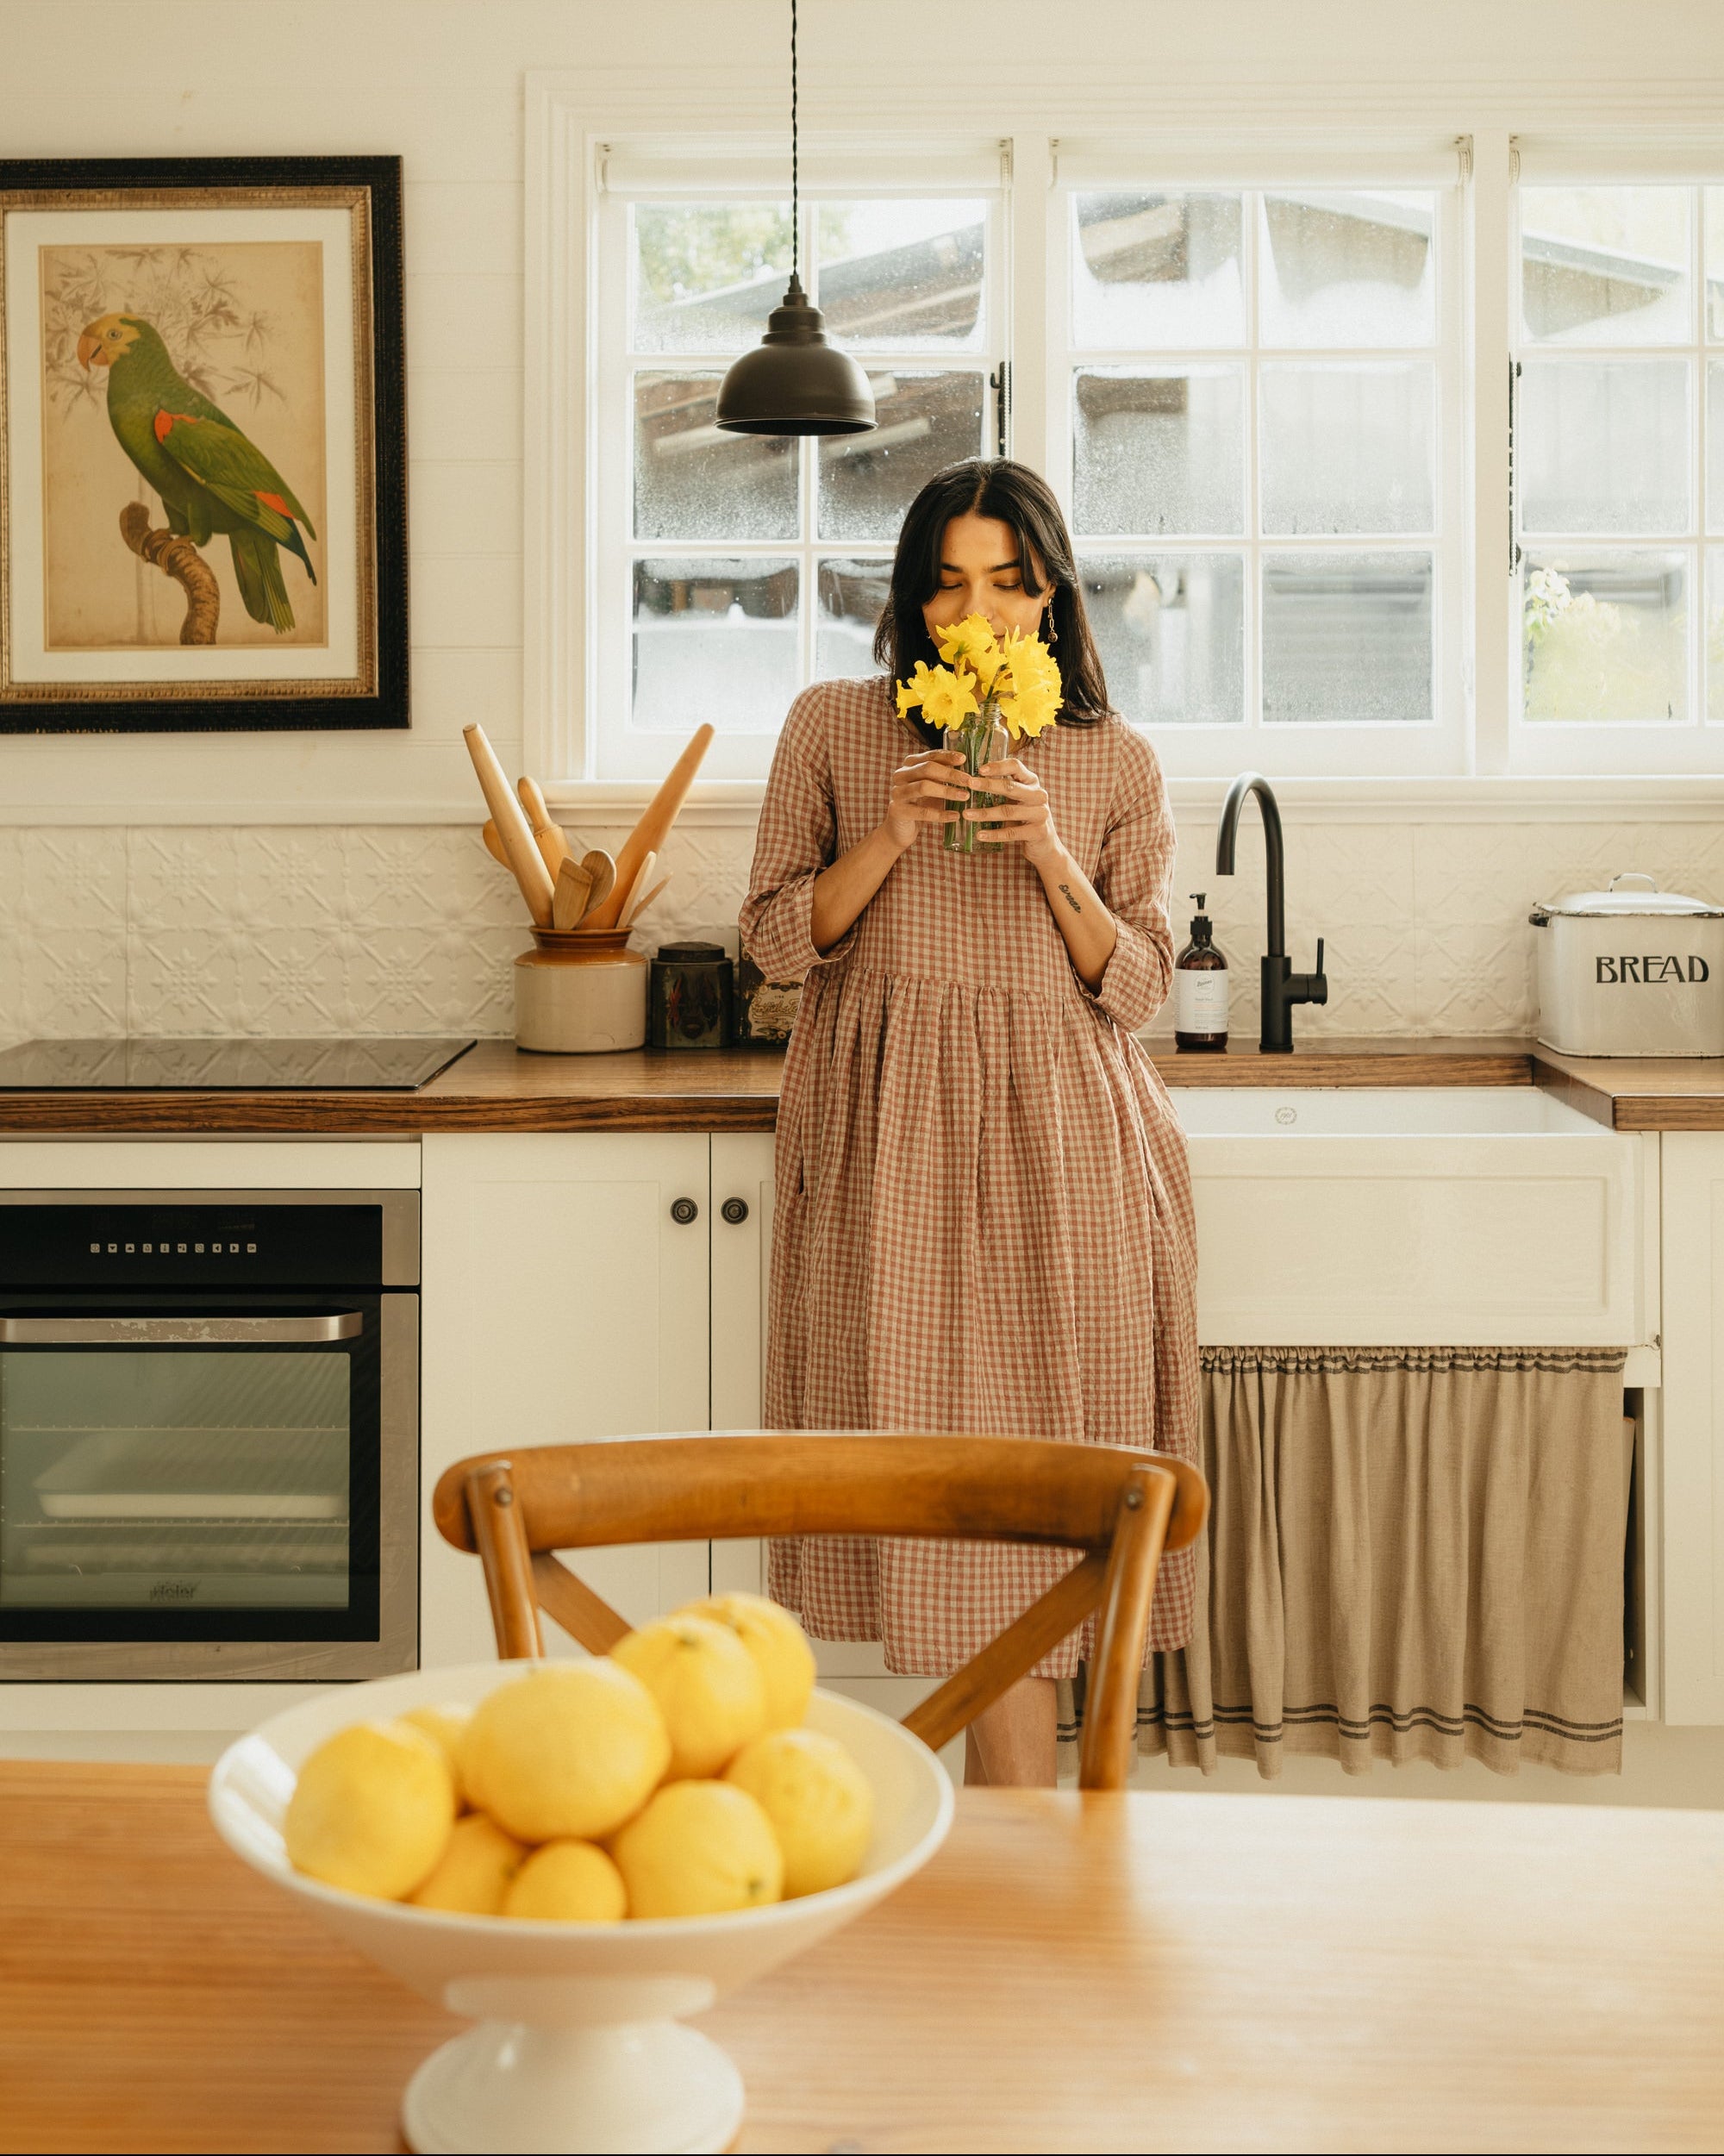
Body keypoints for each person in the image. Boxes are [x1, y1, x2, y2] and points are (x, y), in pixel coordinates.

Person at [740, 459, 1197, 1788]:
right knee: (931, 1492)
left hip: (1066, 1148)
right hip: (890, 1141)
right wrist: (886, 832)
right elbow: (775, 941)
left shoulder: (1114, 759)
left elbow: (1141, 983)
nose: (976, 613)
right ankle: (1004, 1840)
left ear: (1050, 594)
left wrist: (1052, 851)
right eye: (947, 584)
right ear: (913, 598)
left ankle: (1013, 1835)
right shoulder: (833, 725)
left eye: (1006, 581)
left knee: (1042, 1497)